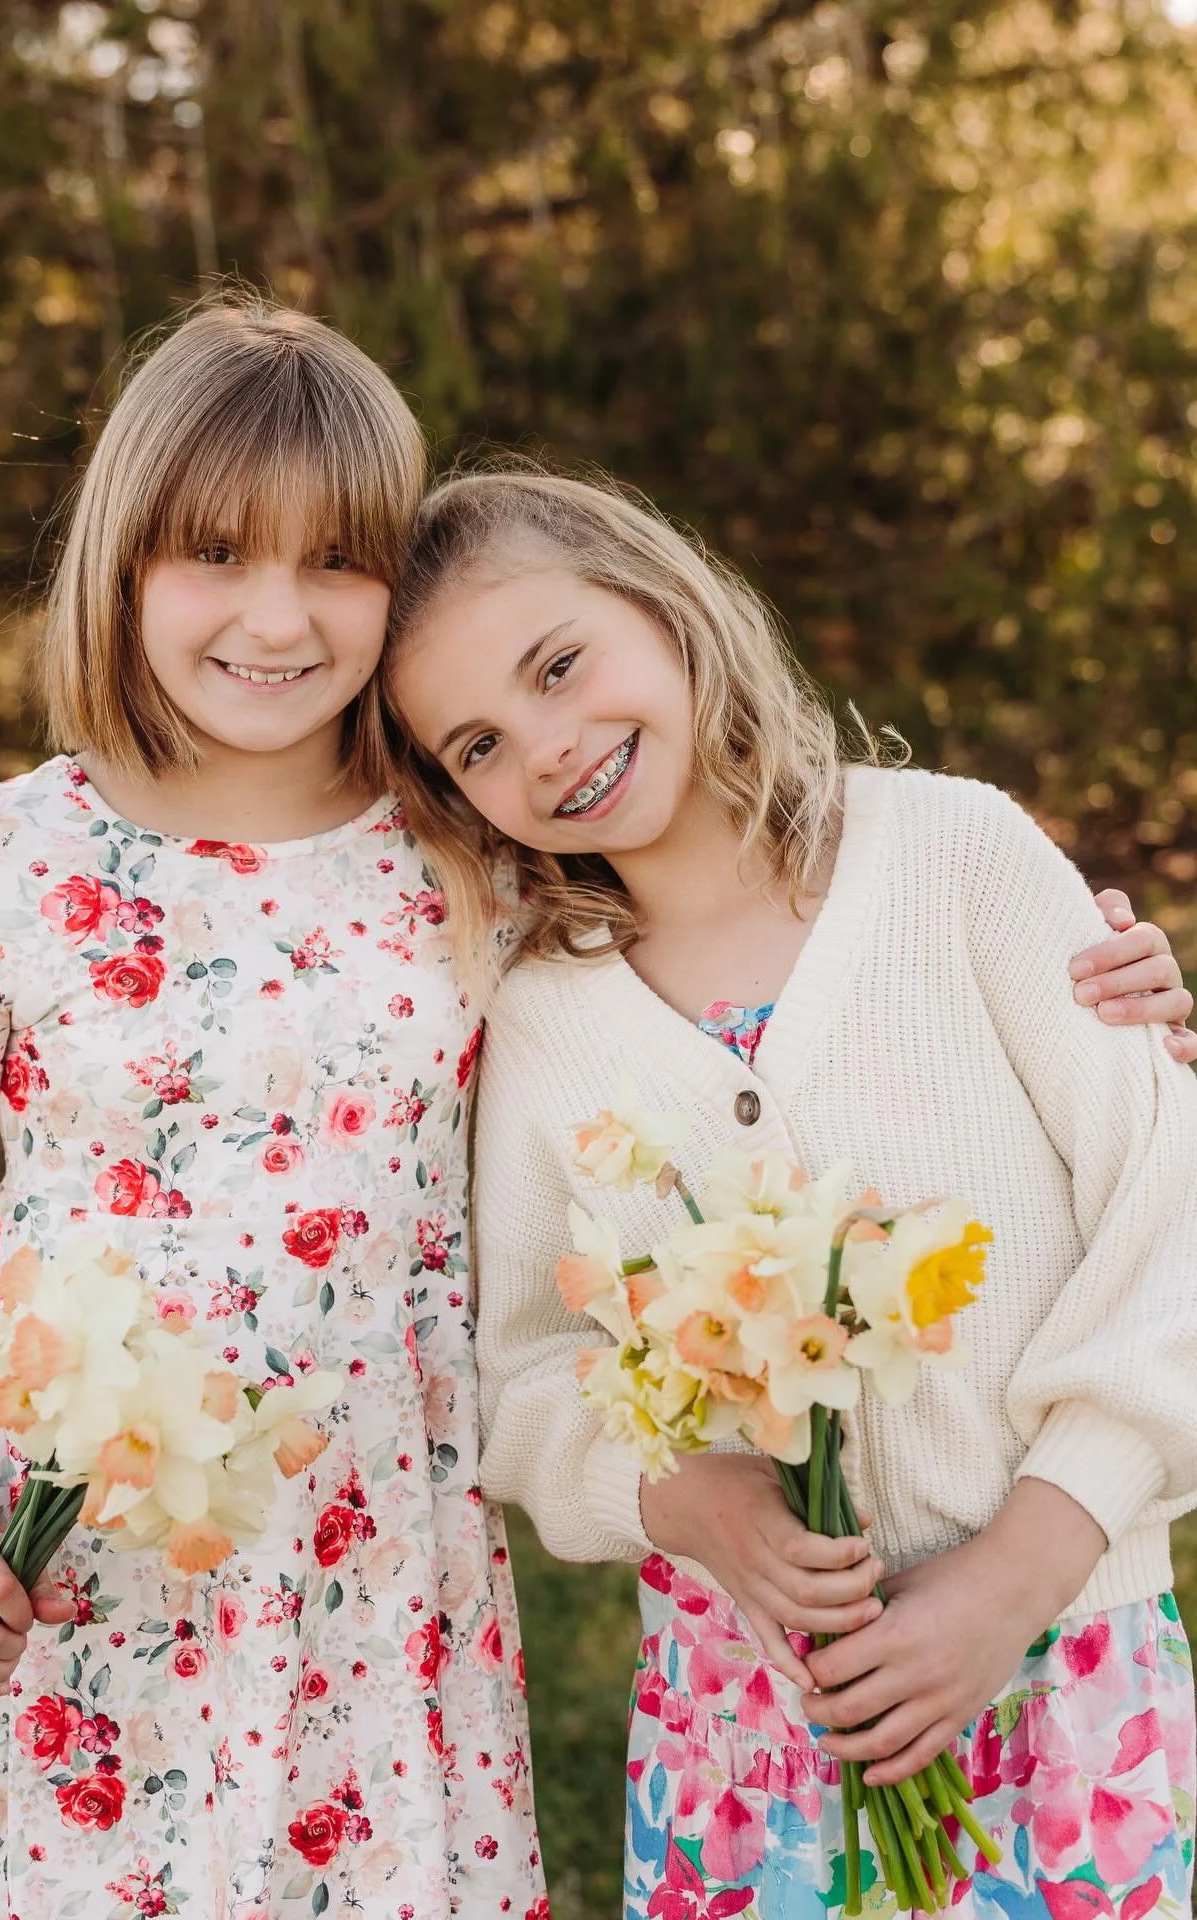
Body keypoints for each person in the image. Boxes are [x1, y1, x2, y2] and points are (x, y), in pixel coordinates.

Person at [0, 306, 545, 1920]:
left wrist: (1069, 964)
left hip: (360, 1558)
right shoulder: (4, 863)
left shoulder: (474, 853)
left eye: (336, 561)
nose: (277, 615)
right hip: (64, 1566)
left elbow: (727, 964)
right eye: (214, 552)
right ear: (125, 563)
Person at [372, 469, 1197, 1919]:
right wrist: (683, 1498)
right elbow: (528, 1372)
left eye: (560, 665)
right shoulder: (543, 1019)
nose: (549, 748)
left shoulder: (958, 860)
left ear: (664, 604)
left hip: (1065, 1678)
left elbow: (1168, 1213)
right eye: (479, 744)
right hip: (745, 1737)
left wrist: (1027, 1565)